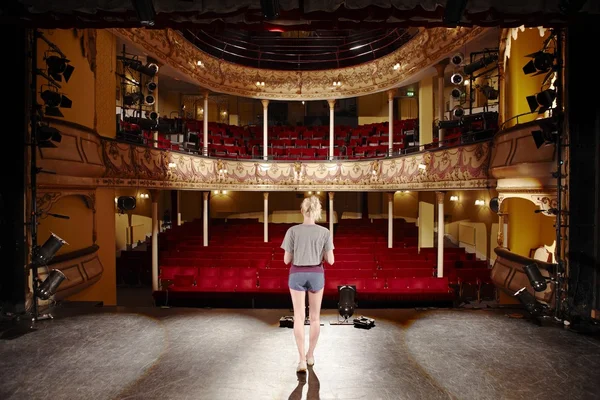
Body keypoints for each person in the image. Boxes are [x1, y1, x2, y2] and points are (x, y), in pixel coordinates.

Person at [281, 196, 334, 373]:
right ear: (317, 212)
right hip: (316, 274)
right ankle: (311, 355)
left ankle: (301, 360)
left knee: (298, 317)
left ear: (302, 211)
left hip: (297, 273)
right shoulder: (325, 232)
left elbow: (286, 259)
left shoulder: (292, 231)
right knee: (315, 318)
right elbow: (331, 260)